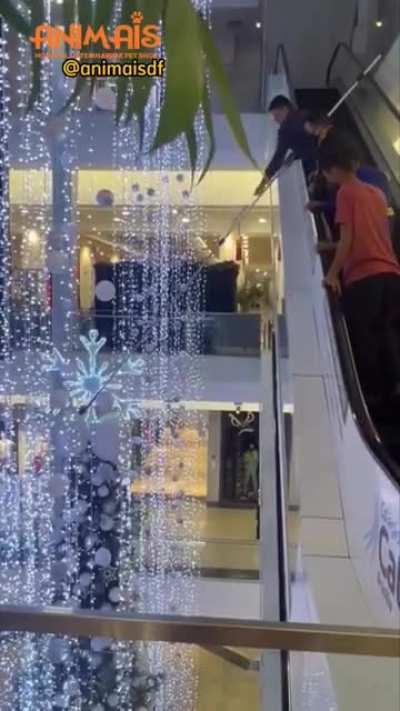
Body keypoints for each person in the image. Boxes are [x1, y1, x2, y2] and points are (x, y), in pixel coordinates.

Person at [320, 150, 400, 403]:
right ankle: (394, 385)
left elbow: (348, 239)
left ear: (331, 170)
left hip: (364, 275)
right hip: (390, 273)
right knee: (385, 331)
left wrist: (332, 273)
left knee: (362, 335)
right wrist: (329, 247)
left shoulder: (346, 192)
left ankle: (370, 394)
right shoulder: (376, 193)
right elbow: (372, 233)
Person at [255, 95, 317, 196]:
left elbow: (278, 158)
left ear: (285, 109)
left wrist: (263, 182)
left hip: (311, 166)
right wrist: (295, 155)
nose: (275, 119)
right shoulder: (306, 114)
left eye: (276, 115)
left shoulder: (286, 130)